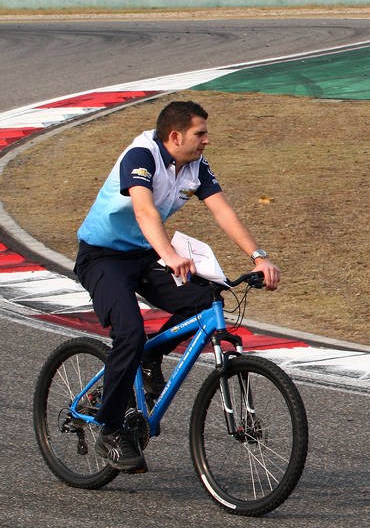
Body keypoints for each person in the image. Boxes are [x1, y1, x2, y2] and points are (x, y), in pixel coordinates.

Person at [74, 99, 280, 473]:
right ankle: (109, 430)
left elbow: (222, 210)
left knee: (205, 300)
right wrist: (168, 253)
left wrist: (258, 256)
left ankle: (152, 357)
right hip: (103, 257)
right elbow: (143, 210)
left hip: (145, 253)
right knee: (130, 332)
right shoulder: (142, 154)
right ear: (175, 135)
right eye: (200, 133)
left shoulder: (195, 165)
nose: (206, 141)